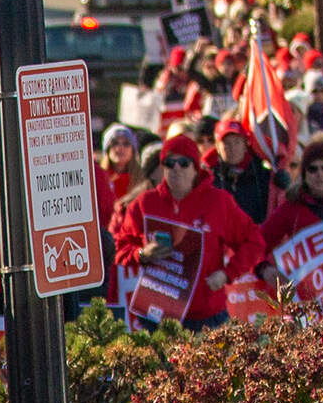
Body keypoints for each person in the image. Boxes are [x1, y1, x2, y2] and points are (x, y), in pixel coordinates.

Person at [111, 133, 268, 330]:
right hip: (158, 318)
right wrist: (141, 254)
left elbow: (254, 242)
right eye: (169, 163)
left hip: (207, 317)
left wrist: (227, 274)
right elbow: (118, 246)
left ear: (195, 168)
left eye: (184, 163)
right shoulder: (144, 203)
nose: (176, 169)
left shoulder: (218, 201)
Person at [209, 115, 274, 224]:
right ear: (217, 147)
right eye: (226, 143)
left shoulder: (262, 175)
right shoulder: (210, 178)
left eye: (237, 142)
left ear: (245, 144)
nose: (232, 148)